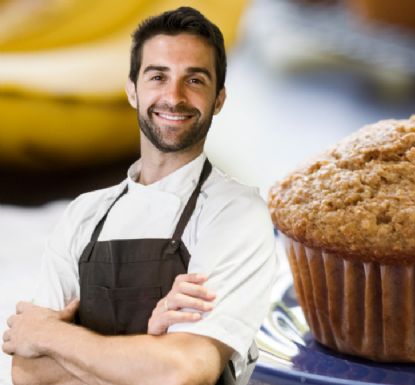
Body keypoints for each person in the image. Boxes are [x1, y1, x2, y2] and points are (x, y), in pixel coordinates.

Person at [2, 6, 277, 385]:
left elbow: (184, 369)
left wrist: (51, 335)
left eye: (195, 80)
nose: (174, 96)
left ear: (219, 99)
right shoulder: (84, 214)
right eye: (157, 76)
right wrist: (150, 348)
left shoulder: (236, 213)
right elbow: (29, 372)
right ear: (132, 90)